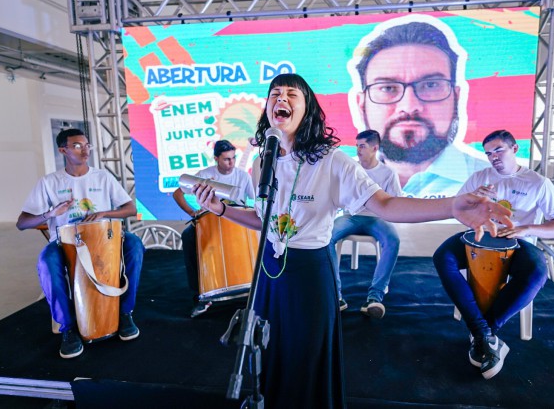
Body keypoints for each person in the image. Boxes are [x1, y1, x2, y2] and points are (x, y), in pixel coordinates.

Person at [191, 73, 513, 408]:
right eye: (274, 94)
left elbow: (386, 205)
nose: (280, 99)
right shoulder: (262, 164)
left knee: (306, 353)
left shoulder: (332, 162)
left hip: (310, 272)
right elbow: (263, 219)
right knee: (270, 348)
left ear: (308, 111)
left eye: (291, 94)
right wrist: (220, 208)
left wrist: (450, 206)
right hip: (270, 270)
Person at [432, 129, 554, 380]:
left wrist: (527, 228)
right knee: (443, 257)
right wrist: (475, 201)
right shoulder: (480, 178)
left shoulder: (538, 183)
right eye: (488, 153)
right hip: (479, 236)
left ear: (514, 149)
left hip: (516, 242)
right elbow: (457, 208)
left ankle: (484, 331)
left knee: (536, 273)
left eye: (499, 150)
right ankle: (484, 334)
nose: (493, 157)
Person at [15, 128, 144, 359]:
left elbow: (131, 209)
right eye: (77, 145)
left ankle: (125, 313)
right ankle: (68, 328)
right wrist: (50, 213)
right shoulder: (49, 182)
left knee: (134, 245)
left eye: (87, 145)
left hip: (105, 237)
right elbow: (22, 223)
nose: (85, 150)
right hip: (65, 242)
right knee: (46, 262)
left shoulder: (102, 177)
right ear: (63, 150)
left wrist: (105, 212)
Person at [346, 14, 489, 199]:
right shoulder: (341, 176)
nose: (409, 106)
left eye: (430, 85)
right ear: (361, 104)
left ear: (456, 97)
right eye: (388, 88)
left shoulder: (491, 179)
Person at [172, 139, 255, 317]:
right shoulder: (205, 174)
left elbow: (255, 201)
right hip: (211, 220)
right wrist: (192, 212)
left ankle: (258, 288)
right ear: (216, 158)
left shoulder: (243, 176)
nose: (231, 163)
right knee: (188, 236)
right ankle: (200, 296)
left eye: (233, 158)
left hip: (236, 219)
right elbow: (177, 193)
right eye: (226, 159)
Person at [329, 129, 402, 318]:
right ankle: (335, 296)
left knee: (393, 240)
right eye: (357, 146)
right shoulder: (350, 168)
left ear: (375, 148)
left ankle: (375, 298)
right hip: (351, 216)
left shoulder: (387, 173)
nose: (358, 150)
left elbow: (396, 201)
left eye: (362, 146)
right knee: (325, 236)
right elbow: (337, 195)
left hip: (376, 218)